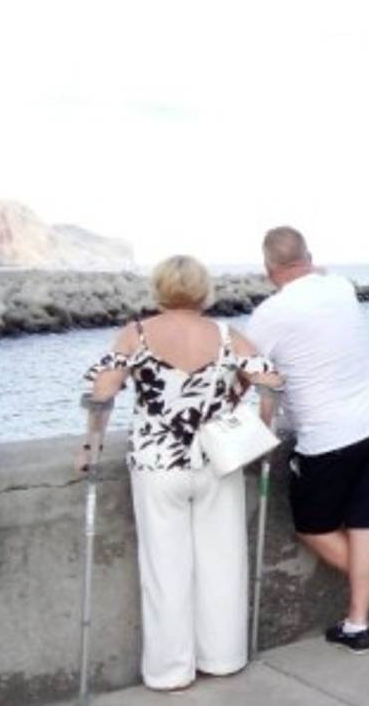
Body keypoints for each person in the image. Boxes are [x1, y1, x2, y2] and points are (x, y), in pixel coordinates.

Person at [81, 255, 282, 691]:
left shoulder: (137, 334)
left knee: (164, 568)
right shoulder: (227, 335)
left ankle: (170, 671)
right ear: (203, 290)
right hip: (216, 461)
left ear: (159, 288)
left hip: (157, 464)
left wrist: (90, 446)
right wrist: (262, 428)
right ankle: (223, 658)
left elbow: (103, 391)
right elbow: (271, 383)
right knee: (223, 561)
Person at [246, 227, 369, 653]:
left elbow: (255, 376)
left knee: (314, 527)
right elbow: (320, 274)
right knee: (364, 525)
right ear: (308, 257)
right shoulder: (341, 288)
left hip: (328, 438)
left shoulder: (268, 316)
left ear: (268, 268)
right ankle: (360, 619)